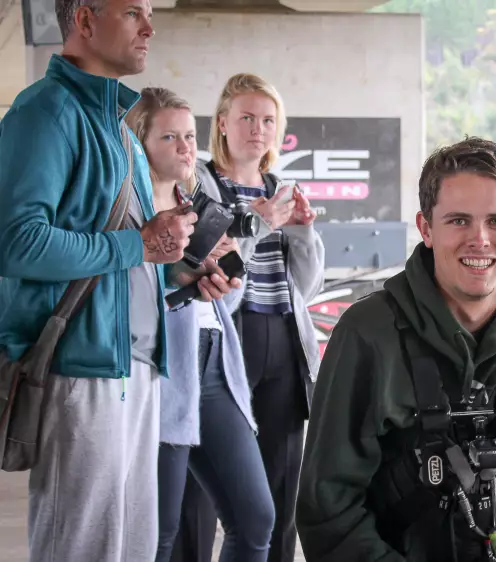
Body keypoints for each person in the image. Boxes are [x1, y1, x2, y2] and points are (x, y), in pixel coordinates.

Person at [295, 137, 496, 562]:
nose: (480, 239)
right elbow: (328, 508)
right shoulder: (368, 335)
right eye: (458, 221)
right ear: (426, 229)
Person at [0, 1, 233, 561]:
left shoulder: (121, 133)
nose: (149, 27)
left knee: (132, 549)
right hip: (80, 371)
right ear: (84, 20)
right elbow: (16, 242)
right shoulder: (45, 112)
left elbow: (132, 254)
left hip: (138, 368)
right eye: (132, 12)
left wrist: (181, 271)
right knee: (83, 549)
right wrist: (139, 245)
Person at [125, 86, 276, 562]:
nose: (186, 147)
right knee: (159, 532)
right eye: (170, 137)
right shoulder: (128, 210)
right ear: (139, 143)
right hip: (158, 369)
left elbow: (223, 303)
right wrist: (177, 277)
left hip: (214, 362)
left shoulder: (199, 204)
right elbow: (125, 298)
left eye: (190, 136)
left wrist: (218, 280)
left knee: (256, 520)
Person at [179, 72, 325, 562]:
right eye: (246, 118)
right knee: (198, 496)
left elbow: (306, 287)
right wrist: (257, 223)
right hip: (221, 339)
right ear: (222, 123)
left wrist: (302, 231)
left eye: (267, 120)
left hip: (282, 337)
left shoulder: (283, 189)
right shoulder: (198, 182)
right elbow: (208, 268)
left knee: (280, 494)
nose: (257, 129)